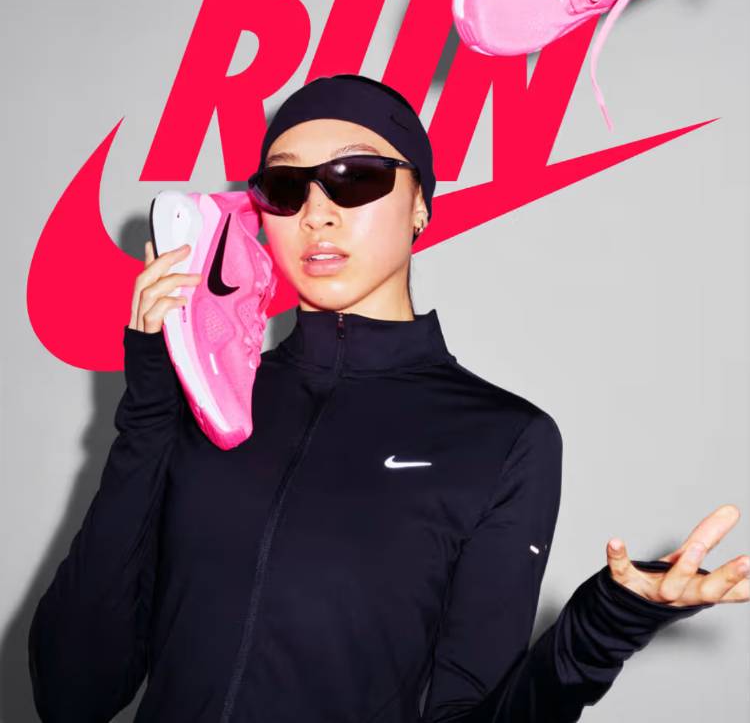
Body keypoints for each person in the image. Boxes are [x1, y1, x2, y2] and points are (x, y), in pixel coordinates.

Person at [27, 74, 748, 723]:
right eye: (285, 188)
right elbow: (72, 692)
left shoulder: (504, 438)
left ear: (420, 206)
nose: (317, 213)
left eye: (357, 177)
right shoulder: (209, 403)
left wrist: (603, 626)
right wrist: (151, 408)